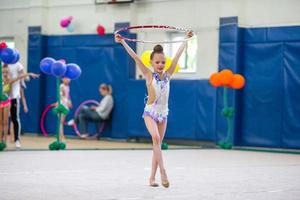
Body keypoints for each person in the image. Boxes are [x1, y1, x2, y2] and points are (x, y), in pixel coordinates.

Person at [115, 31, 193, 188]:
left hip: (163, 113)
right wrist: (123, 42)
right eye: (157, 62)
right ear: (151, 63)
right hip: (150, 112)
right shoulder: (149, 75)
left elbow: (177, 56)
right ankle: (163, 171)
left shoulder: (168, 75)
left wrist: (186, 40)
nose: (161, 65)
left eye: (163, 62)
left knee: (157, 145)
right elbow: (136, 58)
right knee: (156, 139)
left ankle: (151, 178)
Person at [0, 64, 39, 149]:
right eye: (3, 72)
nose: (5, 73)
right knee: (1, 122)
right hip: (1, 102)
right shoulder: (1, 80)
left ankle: (9, 141)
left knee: (8, 121)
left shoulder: (10, 79)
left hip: (8, 100)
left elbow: (19, 77)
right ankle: (1, 140)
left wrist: (30, 74)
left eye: (6, 72)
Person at [55, 77, 72, 142]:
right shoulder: (61, 86)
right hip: (62, 104)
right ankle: (61, 136)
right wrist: (66, 101)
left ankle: (61, 135)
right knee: (60, 121)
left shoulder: (68, 86)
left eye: (69, 79)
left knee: (61, 122)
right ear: (63, 79)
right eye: (67, 78)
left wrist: (70, 101)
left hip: (66, 104)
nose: (68, 80)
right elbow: (60, 95)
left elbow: (68, 95)